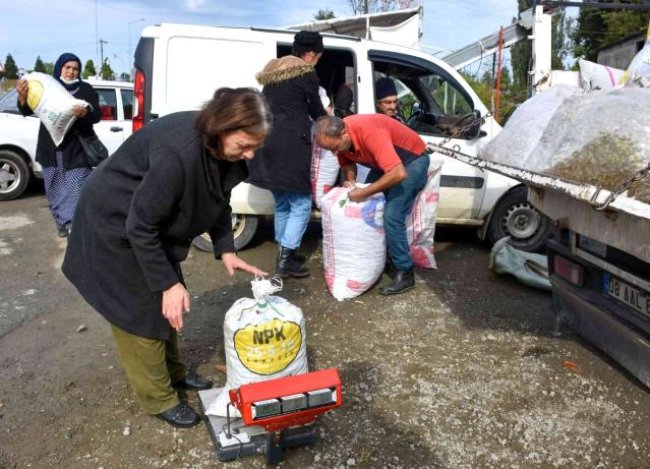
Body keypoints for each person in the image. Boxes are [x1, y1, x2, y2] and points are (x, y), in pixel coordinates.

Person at [61, 87, 272, 428]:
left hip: (145, 224)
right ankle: (157, 397)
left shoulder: (218, 150)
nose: (249, 155)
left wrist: (226, 247)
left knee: (169, 303)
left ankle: (174, 373)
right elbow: (140, 225)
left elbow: (217, 196)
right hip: (114, 223)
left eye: (255, 147)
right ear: (220, 128)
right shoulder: (179, 155)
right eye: (244, 145)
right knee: (139, 314)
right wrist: (167, 283)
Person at [314, 114, 430, 295]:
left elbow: (398, 173)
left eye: (335, 148)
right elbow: (347, 163)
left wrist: (364, 191)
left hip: (411, 162)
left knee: (392, 215)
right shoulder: (341, 139)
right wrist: (351, 182)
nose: (334, 153)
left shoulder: (370, 133)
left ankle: (405, 272)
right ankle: (382, 256)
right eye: (330, 150)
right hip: (385, 165)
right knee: (369, 207)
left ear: (344, 133)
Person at [247, 30, 327, 278]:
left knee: (282, 202)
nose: (318, 60)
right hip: (291, 146)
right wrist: (332, 121)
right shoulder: (305, 72)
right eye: (319, 56)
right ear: (311, 54)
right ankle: (286, 260)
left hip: (267, 143)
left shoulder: (275, 70)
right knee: (301, 203)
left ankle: (285, 253)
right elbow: (316, 109)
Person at [16, 53, 101, 237]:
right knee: (54, 187)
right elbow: (26, 109)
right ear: (60, 68)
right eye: (67, 67)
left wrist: (84, 113)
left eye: (75, 68)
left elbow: (96, 116)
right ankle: (63, 224)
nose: (71, 72)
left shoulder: (85, 89)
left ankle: (75, 226)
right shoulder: (49, 86)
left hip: (76, 149)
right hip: (51, 149)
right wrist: (22, 97)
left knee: (77, 188)